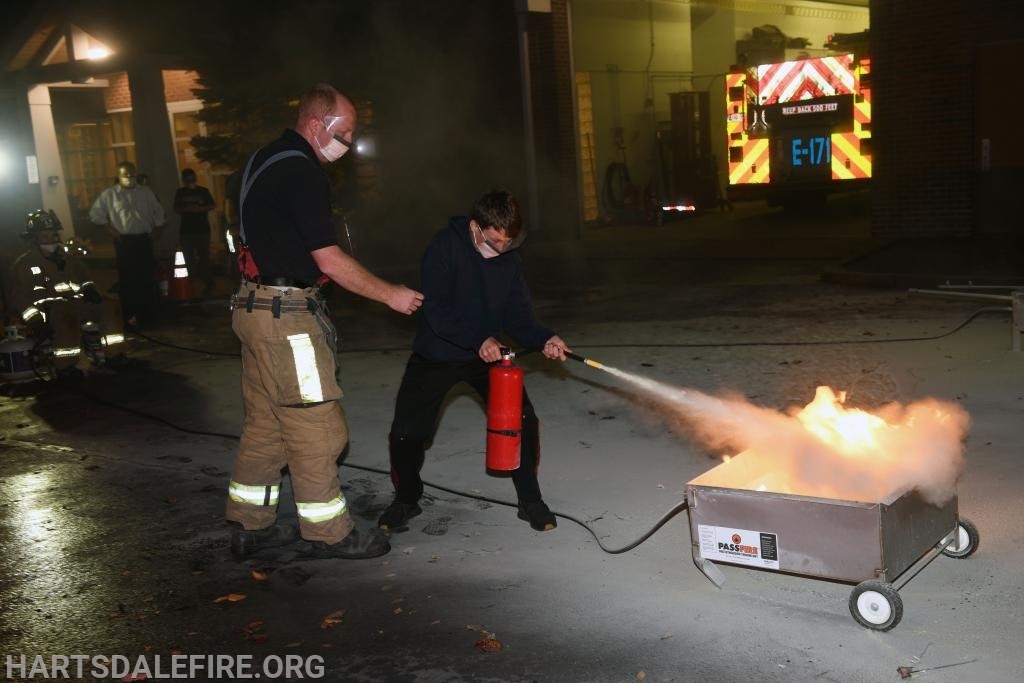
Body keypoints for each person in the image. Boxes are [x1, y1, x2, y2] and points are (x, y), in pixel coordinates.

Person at [226, 83, 423, 561]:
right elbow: (330, 260)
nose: (349, 143)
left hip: (252, 309)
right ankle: (329, 533)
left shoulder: (261, 160)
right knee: (318, 428)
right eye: (345, 132)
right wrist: (390, 294)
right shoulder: (302, 171)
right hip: (286, 320)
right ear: (317, 123)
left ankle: (249, 526)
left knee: (267, 424)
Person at [378, 189, 571, 534]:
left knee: (523, 422)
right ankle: (406, 498)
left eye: (508, 242)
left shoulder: (508, 258)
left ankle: (530, 501)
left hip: (489, 354)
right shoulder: (444, 248)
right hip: (437, 353)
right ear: (474, 228)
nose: (501, 250)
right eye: (495, 241)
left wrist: (544, 338)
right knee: (407, 432)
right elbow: (435, 309)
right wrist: (475, 339)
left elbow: (518, 313)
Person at [7, 209, 127, 374]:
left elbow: (85, 278)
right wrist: (35, 321)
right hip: (49, 312)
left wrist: (89, 288)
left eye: (53, 235)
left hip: (76, 304)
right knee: (66, 315)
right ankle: (66, 367)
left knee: (109, 305)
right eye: (44, 236)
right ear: (33, 239)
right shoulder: (24, 265)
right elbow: (19, 298)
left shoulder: (69, 260)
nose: (50, 240)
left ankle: (115, 356)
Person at [88, 161, 164, 327]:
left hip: (143, 240)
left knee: (146, 278)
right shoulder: (110, 195)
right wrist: (109, 229)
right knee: (128, 280)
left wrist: (157, 230)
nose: (129, 178)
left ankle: (148, 316)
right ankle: (128, 316)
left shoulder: (145, 192)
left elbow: (158, 212)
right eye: (125, 175)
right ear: (118, 176)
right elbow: (95, 214)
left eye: (132, 175)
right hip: (124, 242)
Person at [173, 168, 216, 297]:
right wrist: (187, 209)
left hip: (202, 229)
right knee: (189, 257)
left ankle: (208, 282)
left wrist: (200, 209)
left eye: (192, 178)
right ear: (184, 180)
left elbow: (212, 205)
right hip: (187, 230)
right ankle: (191, 281)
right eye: (188, 179)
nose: (190, 181)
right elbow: (176, 208)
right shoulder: (181, 192)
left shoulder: (203, 191)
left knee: (204, 256)